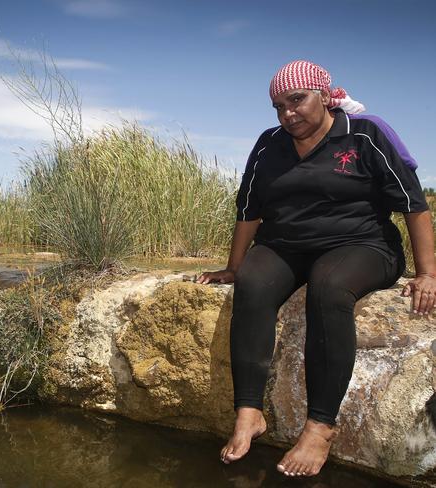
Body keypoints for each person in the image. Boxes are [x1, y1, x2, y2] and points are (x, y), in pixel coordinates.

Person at [196, 60, 436, 477]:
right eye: (278, 106)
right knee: (253, 281)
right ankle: (248, 412)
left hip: (362, 245)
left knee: (328, 286)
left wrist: (428, 273)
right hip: (287, 245)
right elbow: (250, 210)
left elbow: (413, 205)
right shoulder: (270, 144)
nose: (287, 113)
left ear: (325, 97)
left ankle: (320, 426)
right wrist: (234, 267)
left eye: (297, 100)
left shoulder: (365, 134)